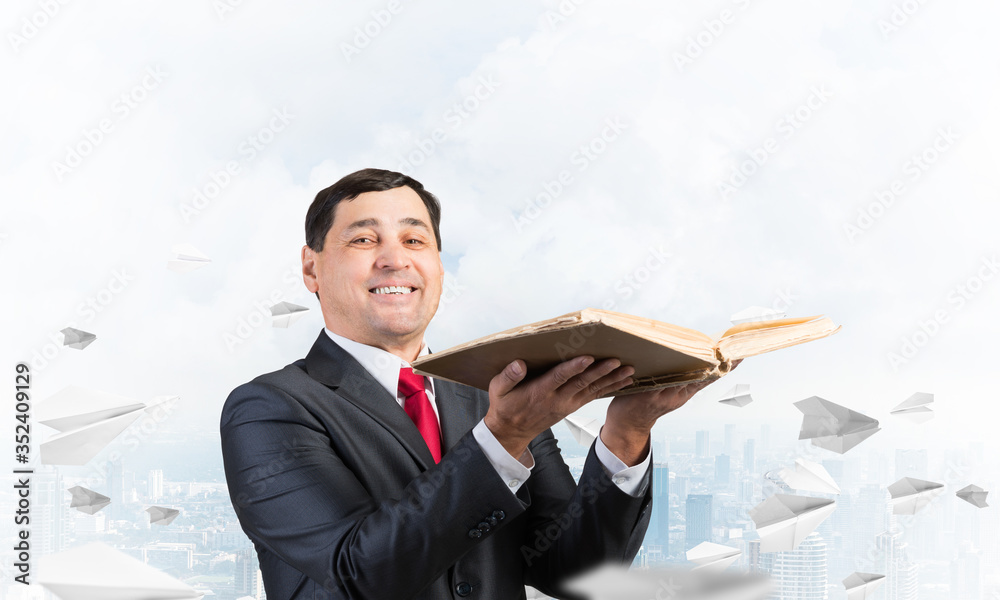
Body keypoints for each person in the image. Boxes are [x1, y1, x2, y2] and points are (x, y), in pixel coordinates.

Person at [220, 168, 721, 599]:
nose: (395, 259)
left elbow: (575, 574)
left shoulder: (491, 394)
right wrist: (501, 439)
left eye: (415, 241)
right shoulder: (268, 408)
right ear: (312, 268)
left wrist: (627, 433)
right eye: (364, 239)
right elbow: (359, 575)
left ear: (437, 267)